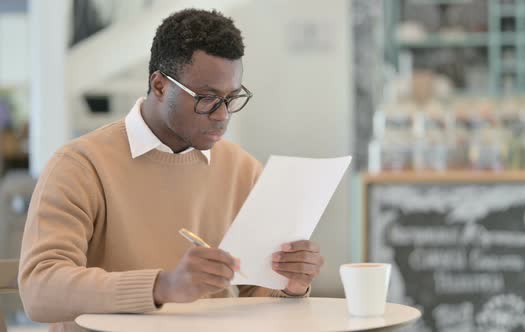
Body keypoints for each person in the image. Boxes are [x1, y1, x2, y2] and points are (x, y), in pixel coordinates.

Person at [18, 9, 324, 331]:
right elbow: (39, 290)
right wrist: (162, 287)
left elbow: (258, 298)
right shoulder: (80, 166)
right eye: (207, 99)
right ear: (160, 85)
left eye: (231, 98)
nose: (222, 116)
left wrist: (291, 284)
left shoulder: (243, 170)